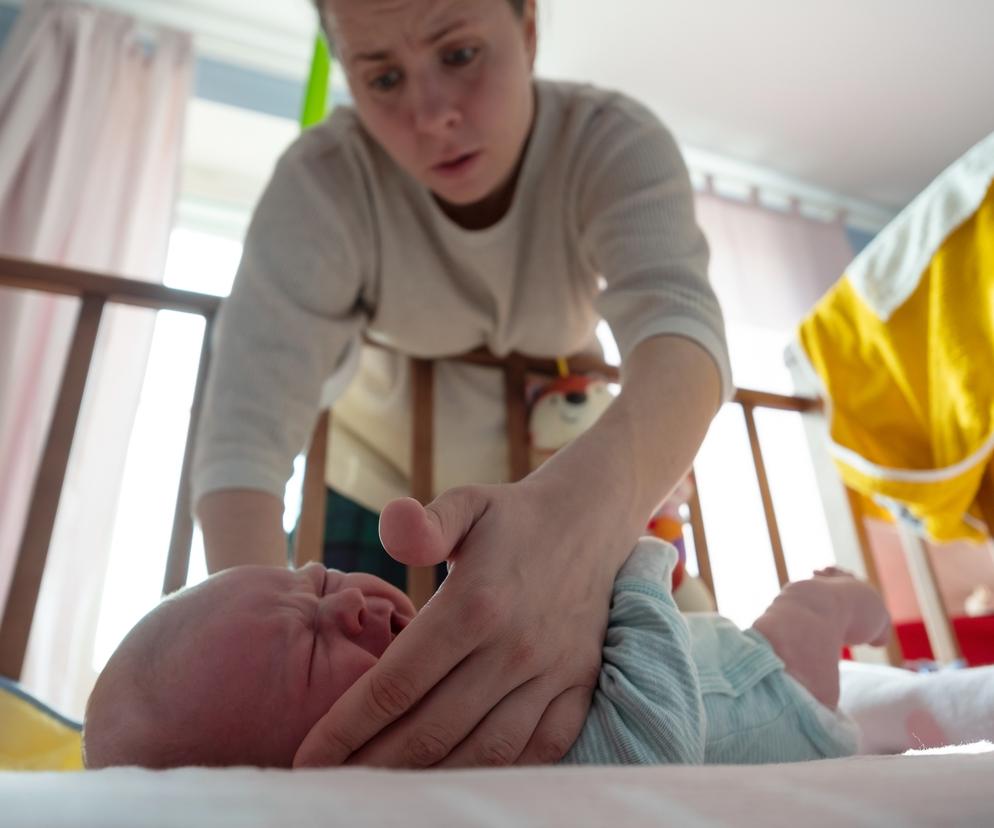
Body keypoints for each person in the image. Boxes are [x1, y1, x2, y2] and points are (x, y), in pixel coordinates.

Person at [191, 0, 731, 768]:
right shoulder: (323, 184)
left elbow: (683, 331)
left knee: (689, 687)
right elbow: (242, 437)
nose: (431, 115)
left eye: (460, 54)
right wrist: (258, 665)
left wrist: (586, 529)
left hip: (574, 477)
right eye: (380, 76)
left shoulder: (611, 140)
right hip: (378, 497)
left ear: (531, 29)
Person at [81, 536, 891, 769]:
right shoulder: (468, 759)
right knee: (809, 608)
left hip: (715, 656)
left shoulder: (453, 672)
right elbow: (653, 744)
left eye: (321, 578)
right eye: (309, 649)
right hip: (772, 697)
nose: (353, 603)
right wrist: (638, 570)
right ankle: (854, 601)